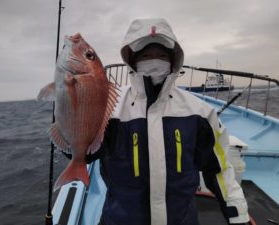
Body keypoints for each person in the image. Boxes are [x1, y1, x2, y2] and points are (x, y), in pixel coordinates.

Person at [85, 18, 250, 225]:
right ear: (132, 60)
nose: (154, 60)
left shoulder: (200, 113)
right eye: (145, 55)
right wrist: (70, 109)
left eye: (162, 55)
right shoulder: (109, 110)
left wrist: (237, 213)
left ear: (174, 60)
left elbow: (219, 169)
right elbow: (84, 154)